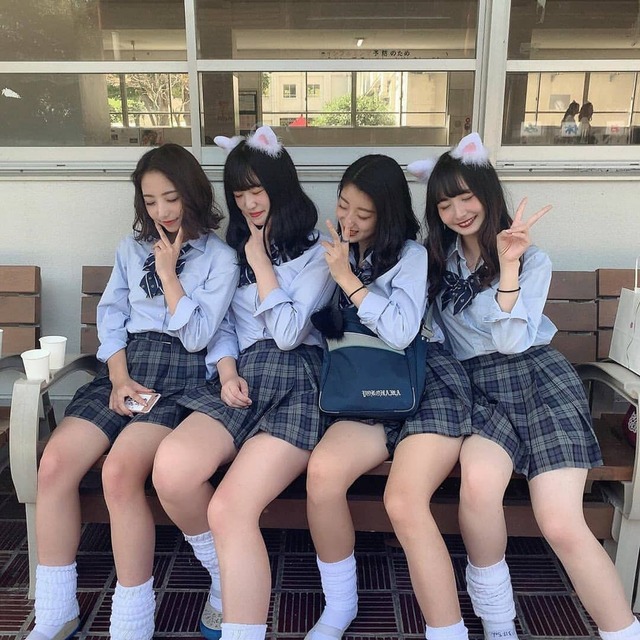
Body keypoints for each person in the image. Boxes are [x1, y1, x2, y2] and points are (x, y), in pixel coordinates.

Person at [418, 132, 640, 640]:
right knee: (478, 489)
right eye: (445, 204)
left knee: (560, 522)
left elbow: (512, 341)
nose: (457, 212)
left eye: (465, 198)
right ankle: (499, 624)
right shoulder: (436, 264)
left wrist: (509, 266)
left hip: (540, 379)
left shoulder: (531, 259)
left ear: (487, 193)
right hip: (479, 392)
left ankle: (623, 632)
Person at [27, 143, 238, 640]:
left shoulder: (220, 259)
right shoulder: (130, 247)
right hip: (126, 366)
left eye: (171, 198)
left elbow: (198, 336)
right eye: (150, 201)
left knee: (119, 473)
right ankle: (56, 610)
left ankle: (132, 618)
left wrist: (168, 275)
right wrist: (119, 378)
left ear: (192, 194)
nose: (161, 211)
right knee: (54, 464)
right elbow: (113, 316)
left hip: (182, 373)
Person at [152, 125, 335, 640]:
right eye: (238, 195)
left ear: (281, 185)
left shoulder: (320, 251)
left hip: (299, 379)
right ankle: (222, 574)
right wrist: (227, 370)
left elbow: (289, 333)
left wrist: (261, 265)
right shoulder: (233, 248)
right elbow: (225, 328)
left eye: (257, 190)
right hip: (243, 375)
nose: (249, 204)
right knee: (172, 470)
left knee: (230, 508)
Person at [304, 154, 473, 640]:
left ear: (389, 214)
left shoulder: (411, 256)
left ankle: (448, 631)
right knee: (322, 475)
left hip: (426, 384)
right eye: (343, 206)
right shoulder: (338, 250)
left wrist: (347, 280)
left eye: (364, 213)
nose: (349, 220)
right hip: (364, 387)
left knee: (404, 500)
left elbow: (401, 331)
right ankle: (340, 605)